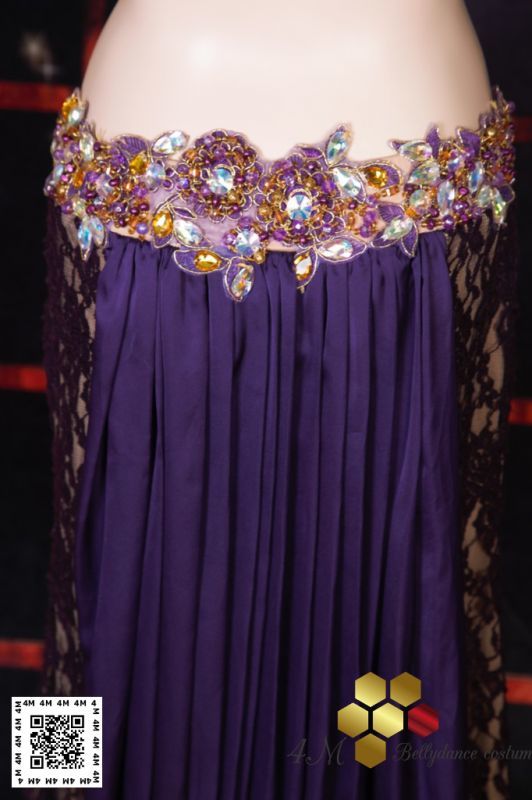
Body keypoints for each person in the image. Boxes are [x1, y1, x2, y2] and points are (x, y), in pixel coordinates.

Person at [40, 0, 519, 797]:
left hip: (418, 184)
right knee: (89, 593)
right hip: (144, 177)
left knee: (416, 615)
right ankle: (52, 780)